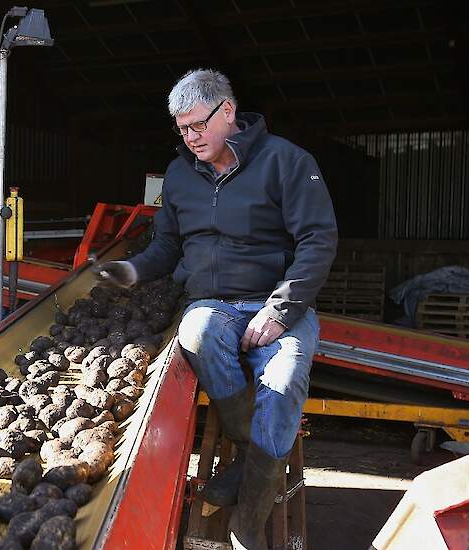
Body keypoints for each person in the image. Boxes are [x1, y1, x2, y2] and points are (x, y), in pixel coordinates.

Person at [95, 69, 337, 550]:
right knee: (199, 330)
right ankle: (254, 457)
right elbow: (166, 246)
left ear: (227, 111)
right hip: (215, 305)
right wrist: (134, 271)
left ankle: (247, 523)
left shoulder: (287, 162)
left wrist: (281, 311)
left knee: (284, 382)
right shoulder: (182, 173)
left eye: (197, 126)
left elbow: (319, 240)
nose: (190, 138)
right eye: (182, 129)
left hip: (278, 304)